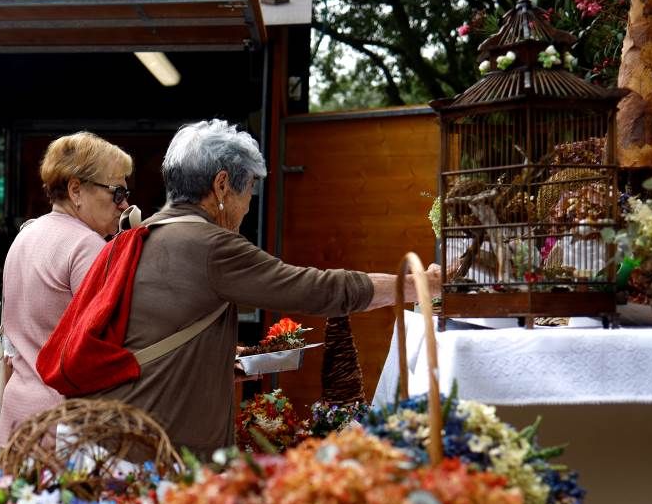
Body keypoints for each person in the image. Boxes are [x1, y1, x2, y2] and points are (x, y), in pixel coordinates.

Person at [94, 119, 441, 455]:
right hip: (163, 448)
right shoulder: (210, 245)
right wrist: (417, 285)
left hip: (118, 431)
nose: (247, 208)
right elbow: (316, 289)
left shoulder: (139, 236)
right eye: (248, 193)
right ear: (221, 185)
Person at [0, 132, 133, 441]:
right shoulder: (88, 246)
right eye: (117, 192)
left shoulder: (26, 234)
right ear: (76, 190)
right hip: (62, 424)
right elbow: (106, 342)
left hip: (18, 410)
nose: (124, 204)